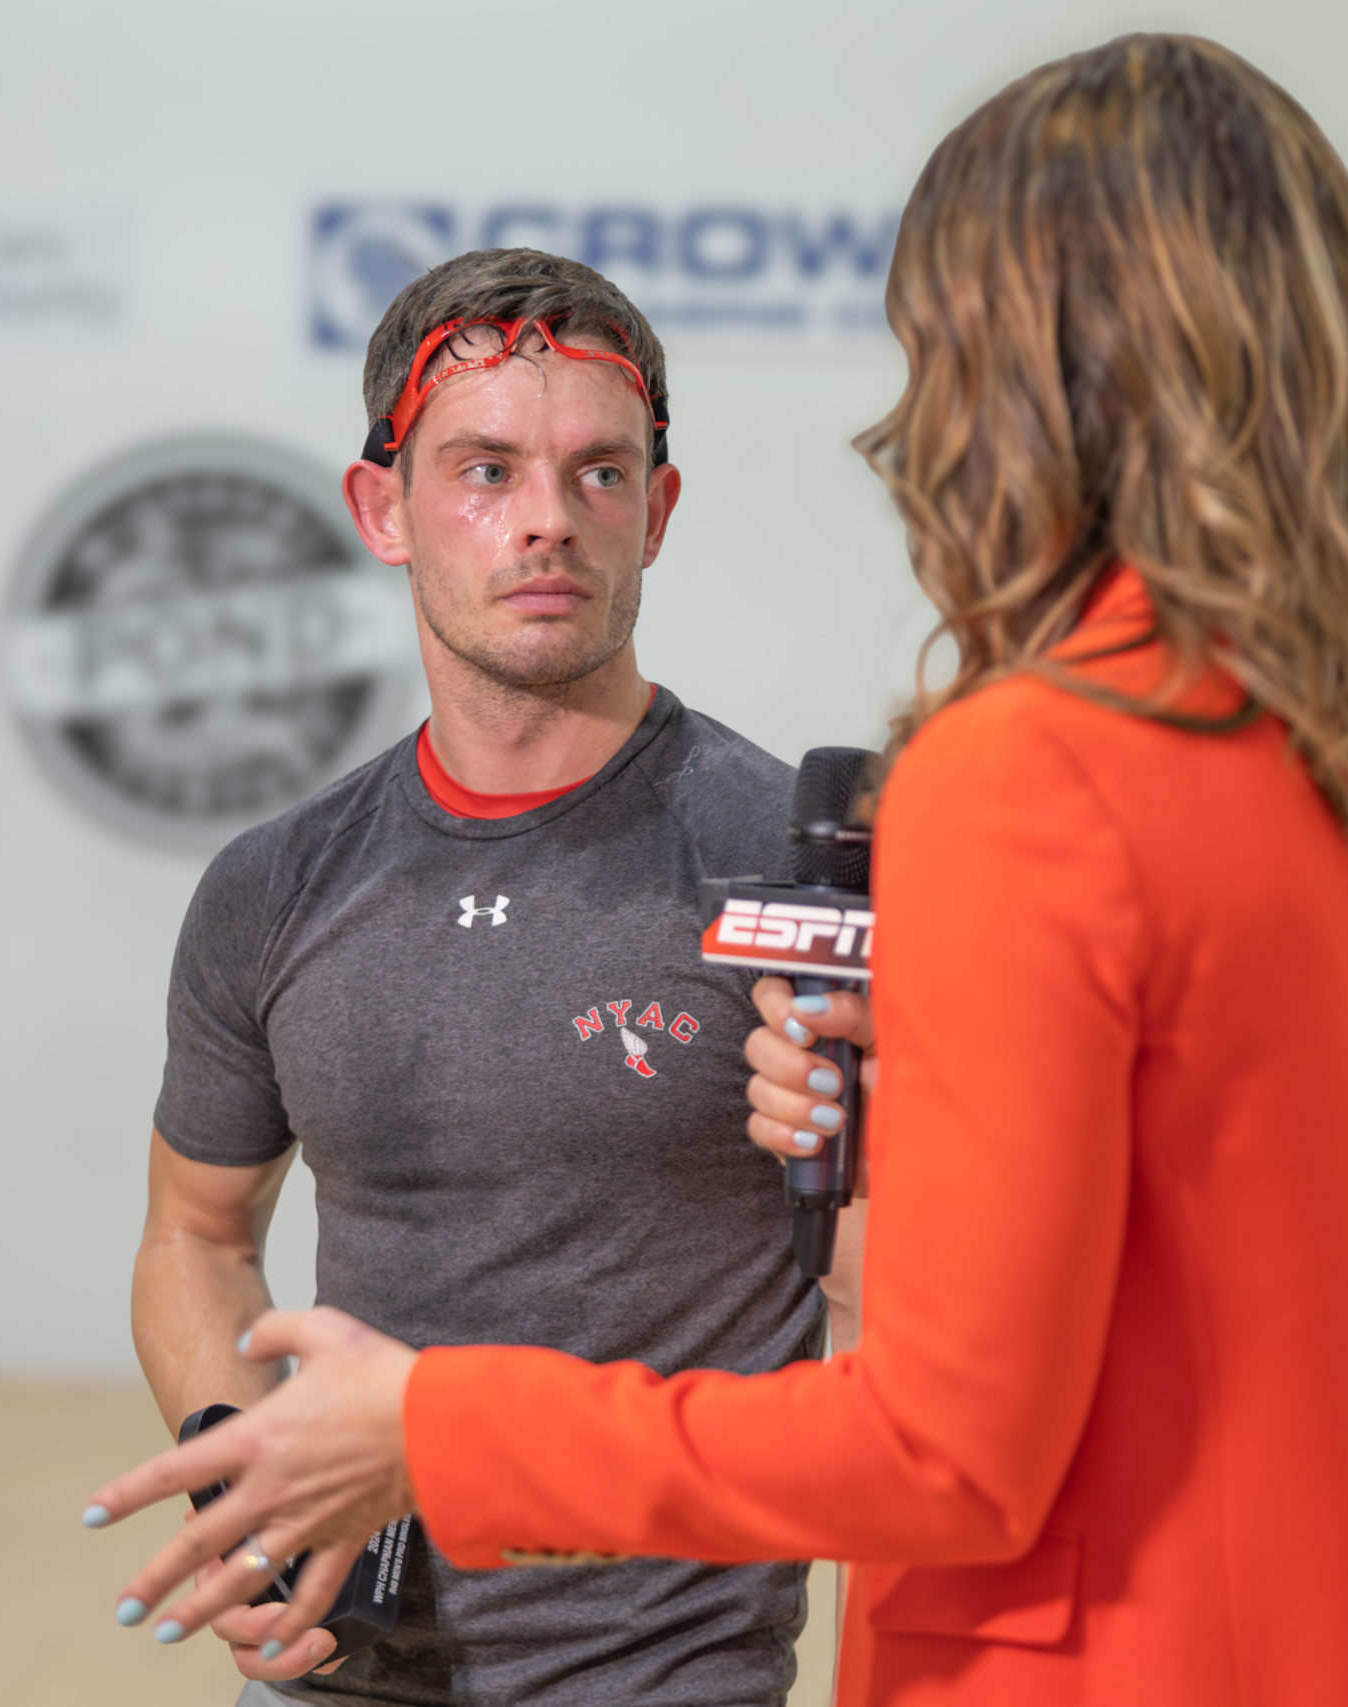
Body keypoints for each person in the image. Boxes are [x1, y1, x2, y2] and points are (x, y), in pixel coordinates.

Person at [87, 34, 1348, 1707]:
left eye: (941, 345)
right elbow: (1204, 1258)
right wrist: (910, 1118)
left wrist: (432, 1429)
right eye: (486, 470)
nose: (918, 420)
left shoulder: (1028, 778)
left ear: (1035, 373)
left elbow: (952, 1447)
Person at [117, 247, 858, 1706]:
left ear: (657, 512)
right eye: (485, 470)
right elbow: (194, 1233)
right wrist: (245, 1485)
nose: (547, 519)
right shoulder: (272, 886)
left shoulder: (791, 875)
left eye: (599, 474)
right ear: (382, 509)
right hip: (327, 1678)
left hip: (666, 1682)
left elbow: (898, 1316)